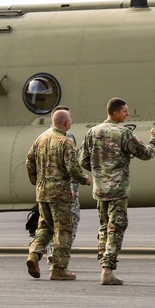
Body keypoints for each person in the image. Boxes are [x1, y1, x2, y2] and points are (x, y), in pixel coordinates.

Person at [79, 97, 155, 285]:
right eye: (125, 111)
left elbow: (83, 160)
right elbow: (146, 153)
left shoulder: (92, 132)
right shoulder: (124, 133)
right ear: (115, 113)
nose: (128, 113)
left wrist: (100, 169)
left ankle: (103, 265)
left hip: (100, 189)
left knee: (103, 227)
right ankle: (107, 269)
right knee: (116, 227)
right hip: (118, 189)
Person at [25, 108, 91, 280]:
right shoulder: (65, 142)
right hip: (60, 194)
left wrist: (36, 181)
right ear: (66, 123)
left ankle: (34, 254)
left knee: (45, 226)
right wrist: (85, 180)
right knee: (63, 230)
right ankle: (59, 269)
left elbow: (29, 161)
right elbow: (73, 168)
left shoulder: (41, 139)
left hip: (42, 192)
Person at [44, 105, 82, 271]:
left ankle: (49, 252)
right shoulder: (67, 137)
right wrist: (75, 185)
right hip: (64, 189)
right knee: (69, 223)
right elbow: (72, 164)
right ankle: (59, 259)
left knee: (49, 223)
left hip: (45, 189)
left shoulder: (42, 137)